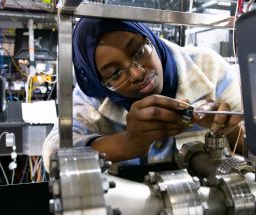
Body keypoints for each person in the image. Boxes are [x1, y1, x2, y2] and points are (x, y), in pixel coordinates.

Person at [42, 18, 243, 172]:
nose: (137, 74)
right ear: (99, 81)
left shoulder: (210, 67)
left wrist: (227, 129)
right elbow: (54, 157)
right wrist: (126, 144)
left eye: (138, 51)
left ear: (149, 36)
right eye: (115, 74)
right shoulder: (93, 98)